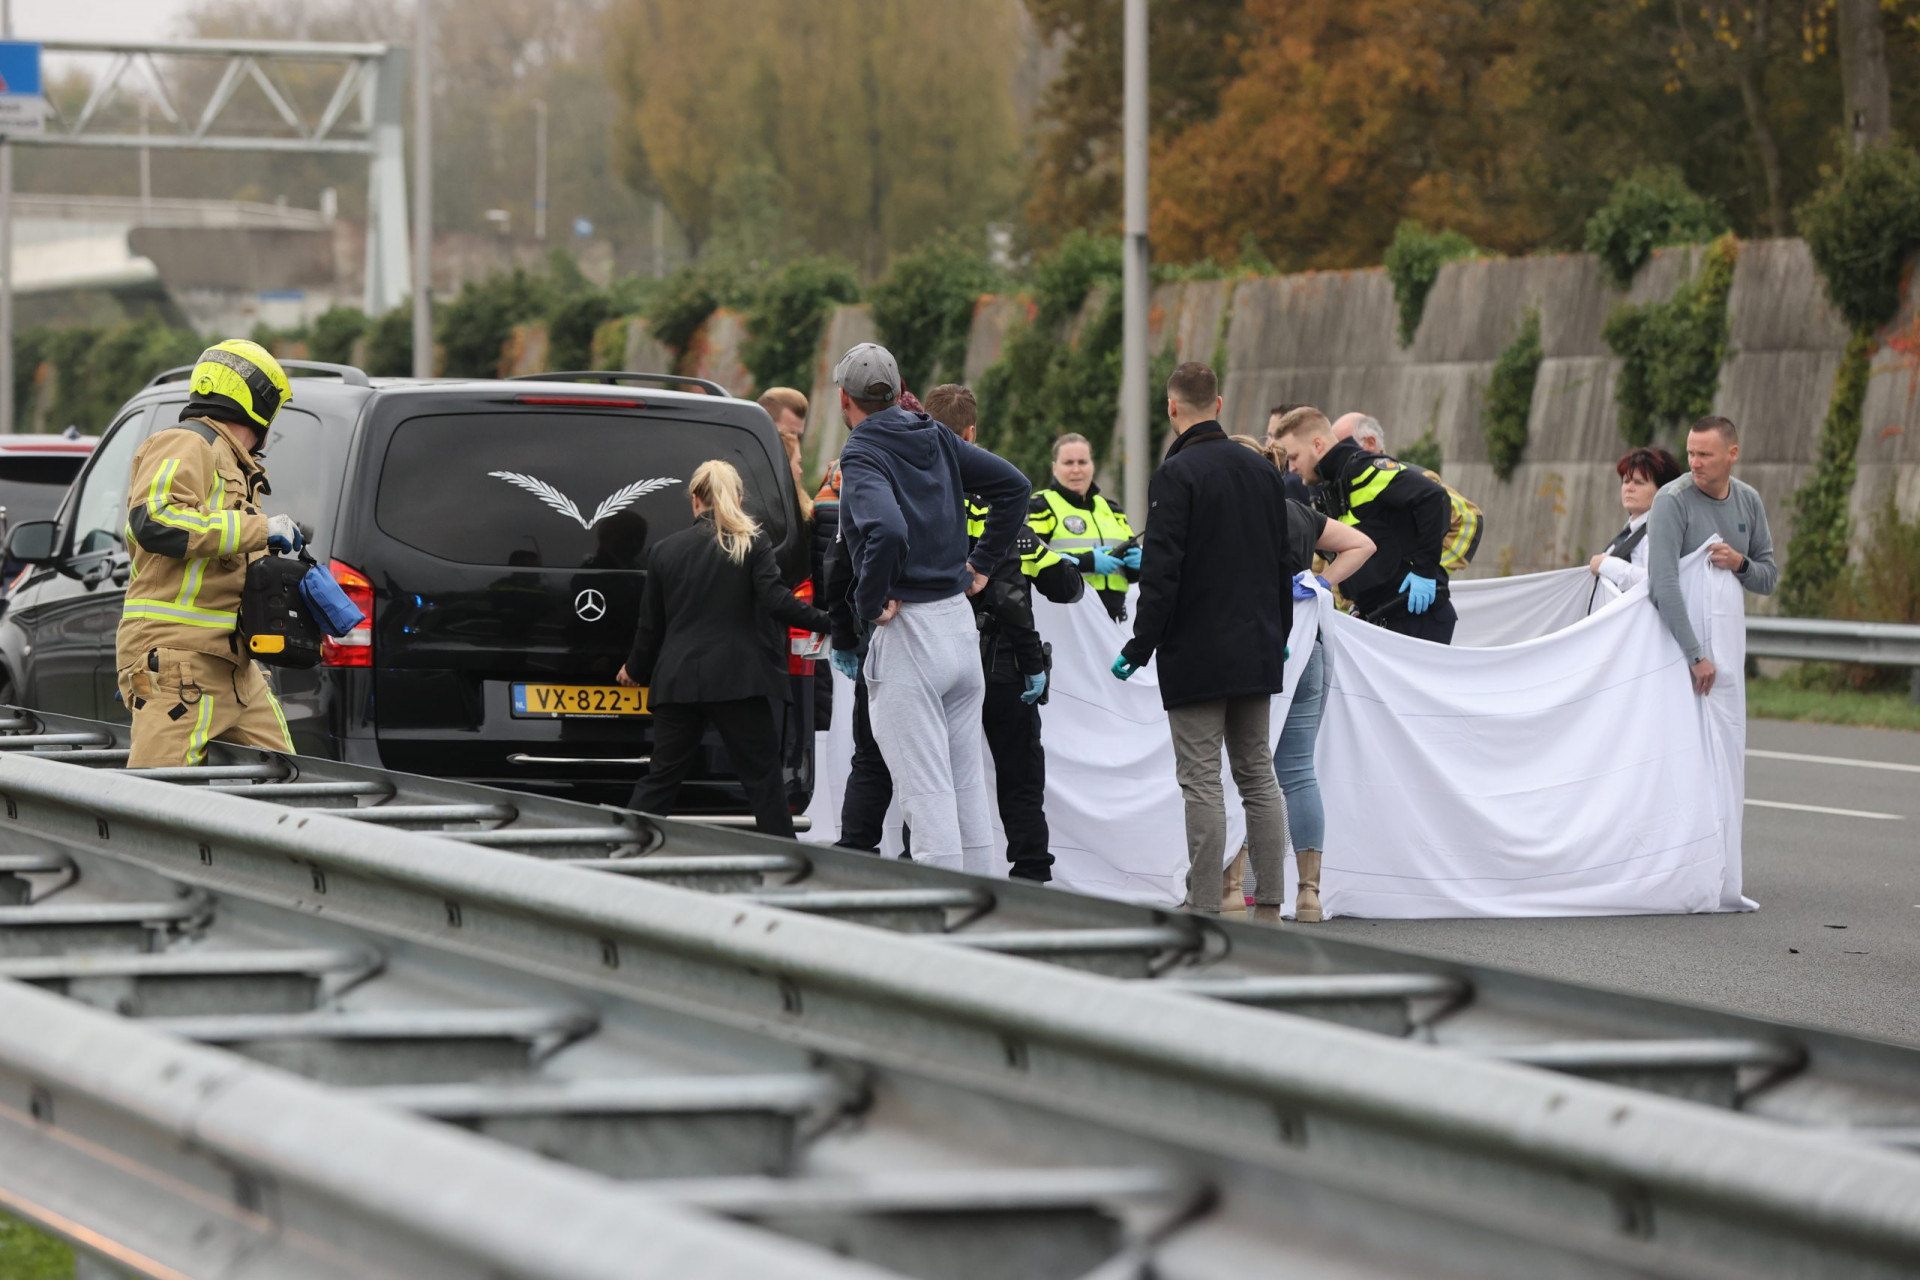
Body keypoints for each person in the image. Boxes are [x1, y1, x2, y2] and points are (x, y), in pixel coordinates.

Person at [827, 343, 1031, 874]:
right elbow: (1015, 486)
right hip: (958, 630)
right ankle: (985, 907)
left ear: (845, 401)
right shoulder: (935, 432)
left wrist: (870, 601)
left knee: (926, 793)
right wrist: (981, 562)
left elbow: (886, 529)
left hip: (911, 635)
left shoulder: (861, 451)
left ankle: (939, 934)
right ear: (897, 392)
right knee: (965, 786)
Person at [1112, 362, 1294, 921]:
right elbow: (1279, 563)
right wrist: (1279, 634)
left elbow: (1163, 572)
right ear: (1218, 404)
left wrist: (1139, 646)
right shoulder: (1262, 471)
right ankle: (1270, 903)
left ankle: (1206, 903)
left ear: (1172, 409)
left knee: (1201, 780)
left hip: (1196, 651)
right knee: (1257, 772)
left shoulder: (1177, 475)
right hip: (1256, 645)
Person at [115, 339, 306, 768]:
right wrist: (260, 528)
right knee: (157, 807)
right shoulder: (186, 442)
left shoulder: (237, 465)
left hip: (234, 667)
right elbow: (156, 520)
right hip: (178, 663)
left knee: (294, 787)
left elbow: (224, 553)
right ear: (259, 403)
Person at [618, 459, 831, 837]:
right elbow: (778, 601)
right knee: (763, 782)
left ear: (695, 500)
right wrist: (831, 623)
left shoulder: (665, 551)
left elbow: (650, 625)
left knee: (661, 779)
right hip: (739, 681)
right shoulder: (751, 543)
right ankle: (789, 863)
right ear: (739, 498)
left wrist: (634, 669)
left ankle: (621, 847)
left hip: (679, 681)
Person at [925, 383, 1085, 883]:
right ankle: (1031, 874)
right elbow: (1057, 587)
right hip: (1003, 666)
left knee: (935, 776)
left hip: (933, 656)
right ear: (971, 434)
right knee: (1019, 777)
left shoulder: (915, 498)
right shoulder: (1005, 502)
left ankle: (932, 868)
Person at [1267, 471, 1377, 922]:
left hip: (1248, 645)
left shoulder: (1228, 513)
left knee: (1243, 769)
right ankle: (1308, 894)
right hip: (1305, 641)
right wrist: (1321, 582)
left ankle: (1235, 886)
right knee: (1297, 771)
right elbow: (1363, 544)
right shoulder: (1298, 514)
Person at [1272, 406, 1457, 644]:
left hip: (1416, 615)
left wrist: (1424, 571)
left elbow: (1434, 497)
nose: (1292, 468)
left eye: (1294, 457)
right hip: (1382, 617)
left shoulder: (1363, 469)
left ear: (1317, 445)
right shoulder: (1331, 487)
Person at [1647, 416, 1778, 696]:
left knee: (1727, 736)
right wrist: (1695, 656)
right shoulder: (1671, 501)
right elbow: (1662, 585)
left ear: (1733, 454)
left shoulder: (1749, 500)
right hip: (1676, 653)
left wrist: (1739, 563)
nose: (1694, 463)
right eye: (1691, 453)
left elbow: (1768, 579)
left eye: (1704, 454)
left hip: (1726, 651)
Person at [1331, 411, 1484, 572]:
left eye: (1342, 448)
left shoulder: (1412, 480)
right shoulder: (1335, 494)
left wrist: (1427, 571)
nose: (1334, 458)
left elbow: (1468, 520)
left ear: (1370, 443)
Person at [1029, 433, 1139, 622]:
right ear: (1055, 468)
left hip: (1114, 618)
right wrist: (1088, 561)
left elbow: (1131, 573)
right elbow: (1032, 558)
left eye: (1082, 462)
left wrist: (1140, 565)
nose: (1076, 469)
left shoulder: (1113, 509)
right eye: (1068, 463)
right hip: (1068, 618)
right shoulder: (1040, 506)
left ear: (1092, 466)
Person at [1590, 446, 1683, 592]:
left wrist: (1606, 564)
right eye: (1626, 481)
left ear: (1662, 489)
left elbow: (1657, 581)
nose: (1629, 488)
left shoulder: (1659, 531)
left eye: (1639, 482)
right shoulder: (1631, 531)